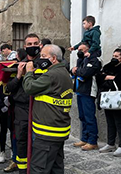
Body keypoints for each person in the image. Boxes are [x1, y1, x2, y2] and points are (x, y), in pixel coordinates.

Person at [21, 44, 73, 174]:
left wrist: (28, 72)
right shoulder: (63, 72)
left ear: (54, 58)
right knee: (56, 167)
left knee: (39, 169)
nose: (40, 58)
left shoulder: (52, 75)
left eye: (44, 56)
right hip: (58, 130)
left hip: (47, 133)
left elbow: (29, 88)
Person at [10, 33, 42, 173]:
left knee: (39, 142)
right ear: (24, 46)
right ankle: (23, 170)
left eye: (35, 44)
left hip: (40, 108)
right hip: (21, 108)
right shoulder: (18, 64)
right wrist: (18, 76)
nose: (33, 47)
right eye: (29, 44)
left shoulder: (46, 63)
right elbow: (9, 88)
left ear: (40, 45)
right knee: (21, 140)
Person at [97, 49, 121, 156]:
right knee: (110, 122)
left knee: (120, 123)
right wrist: (108, 78)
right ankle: (110, 143)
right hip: (108, 99)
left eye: (117, 56)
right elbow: (98, 77)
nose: (114, 58)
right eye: (113, 55)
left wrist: (106, 78)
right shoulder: (110, 66)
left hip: (119, 99)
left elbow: (120, 82)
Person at [71, 43, 102, 150]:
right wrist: (75, 70)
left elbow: (85, 72)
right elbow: (75, 70)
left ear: (88, 50)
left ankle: (92, 141)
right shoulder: (82, 60)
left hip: (88, 92)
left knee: (89, 117)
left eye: (82, 50)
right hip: (80, 91)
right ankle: (84, 138)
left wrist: (76, 70)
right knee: (82, 117)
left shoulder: (94, 60)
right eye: (78, 49)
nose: (79, 52)